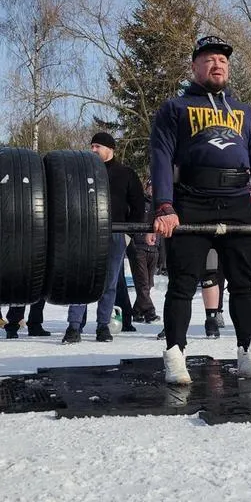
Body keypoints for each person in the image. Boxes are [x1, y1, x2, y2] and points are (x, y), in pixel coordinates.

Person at [150, 35, 251, 385]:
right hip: (191, 200)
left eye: (223, 61)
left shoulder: (245, 112)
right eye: (210, 59)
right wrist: (165, 206)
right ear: (195, 66)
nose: (218, 65)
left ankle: (248, 352)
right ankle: (175, 354)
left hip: (238, 200)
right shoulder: (175, 108)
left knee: (244, 283)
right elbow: (161, 159)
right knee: (182, 284)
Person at [63, 133, 145, 344]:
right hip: (86, 234)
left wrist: (128, 234)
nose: (93, 150)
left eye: (97, 146)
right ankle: (73, 327)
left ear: (111, 148)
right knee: (81, 280)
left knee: (109, 283)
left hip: (116, 234)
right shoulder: (83, 173)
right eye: (91, 146)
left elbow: (137, 206)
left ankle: (103, 326)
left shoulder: (126, 174)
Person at [128, 178, 161, 323]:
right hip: (138, 247)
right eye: (151, 186)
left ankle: (136, 310)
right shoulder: (138, 203)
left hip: (153, 249)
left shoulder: (160, 206)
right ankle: (149, 311)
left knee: (148, 284)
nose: (153, 190)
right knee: (142, 282)